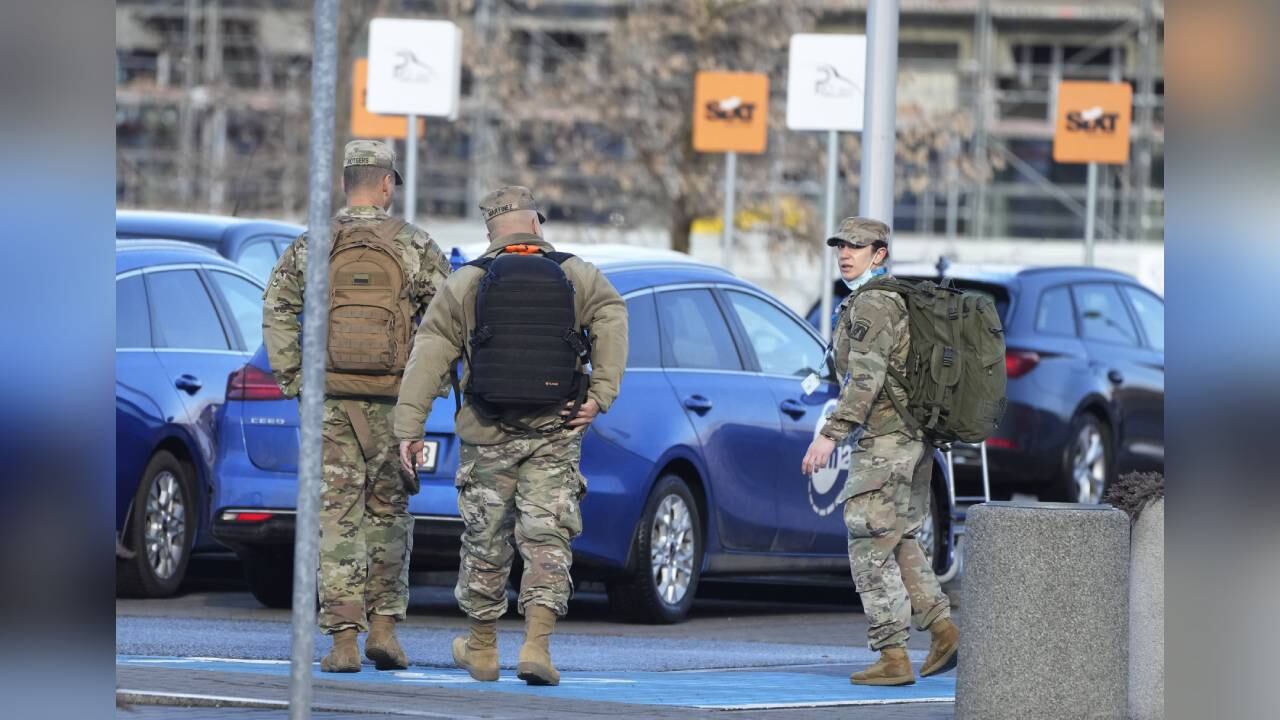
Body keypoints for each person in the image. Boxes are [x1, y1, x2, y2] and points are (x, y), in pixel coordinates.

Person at [393, 186, 627, 686]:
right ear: (536, 223)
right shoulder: (576, 274)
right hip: (556, 429)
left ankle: (481, 648)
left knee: (485, 537)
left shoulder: (467, 282)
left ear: (489, 231)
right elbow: (612, 315)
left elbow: (429, 355)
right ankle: (537, 647)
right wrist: (601, 394)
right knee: (547, 537)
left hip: (487, 428)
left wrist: (408, 428)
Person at [263, 140, 451, 673]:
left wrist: (296, 380)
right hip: (395, 406)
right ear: (387, 183)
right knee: (389, 513)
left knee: (337, 520)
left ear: (346, 183)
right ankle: (385, 630)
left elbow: (278, 309)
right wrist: (428, 390)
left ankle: (343, 642)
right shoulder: (415, 245)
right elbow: (447, 322)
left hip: (330, 404)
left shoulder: (312, 245)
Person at [800, 217, 959, 686]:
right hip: (912, 439)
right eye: (841, 246)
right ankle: (944, 631)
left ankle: (893, 655)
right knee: (899, 538)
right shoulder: (891, 300)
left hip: (887, 439)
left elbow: (865, 380)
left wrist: (830, 434)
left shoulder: (872, 304)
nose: (846, 253)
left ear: (880, 253)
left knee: (868, 541)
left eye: (857, 246)